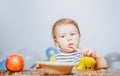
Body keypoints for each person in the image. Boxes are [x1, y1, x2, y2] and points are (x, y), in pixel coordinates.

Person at [35, 18, 108, 70]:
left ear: (79, 37)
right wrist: (43, 69)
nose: (69, 38)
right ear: (57, 42)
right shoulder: (54, 59)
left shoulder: (85, 56)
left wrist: (97, 57)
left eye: (72, 34)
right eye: (63, 36)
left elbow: (104, 69)